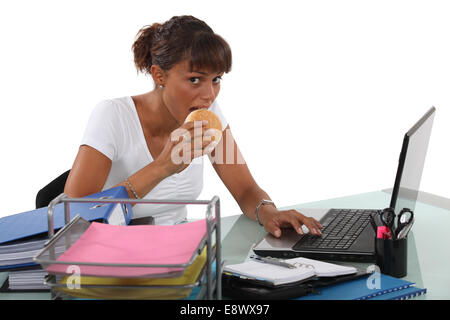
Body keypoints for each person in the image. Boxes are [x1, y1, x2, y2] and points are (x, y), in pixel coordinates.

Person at [64, 15, 322, 238]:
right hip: (113, 256)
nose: (209, 95)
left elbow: (245, 188)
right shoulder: (112, 116)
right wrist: (161, 168)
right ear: (159, 75)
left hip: (180, 253)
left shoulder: (208, 116)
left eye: (216, 79)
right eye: (195, 79)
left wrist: (270, 213)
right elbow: (73, 213)